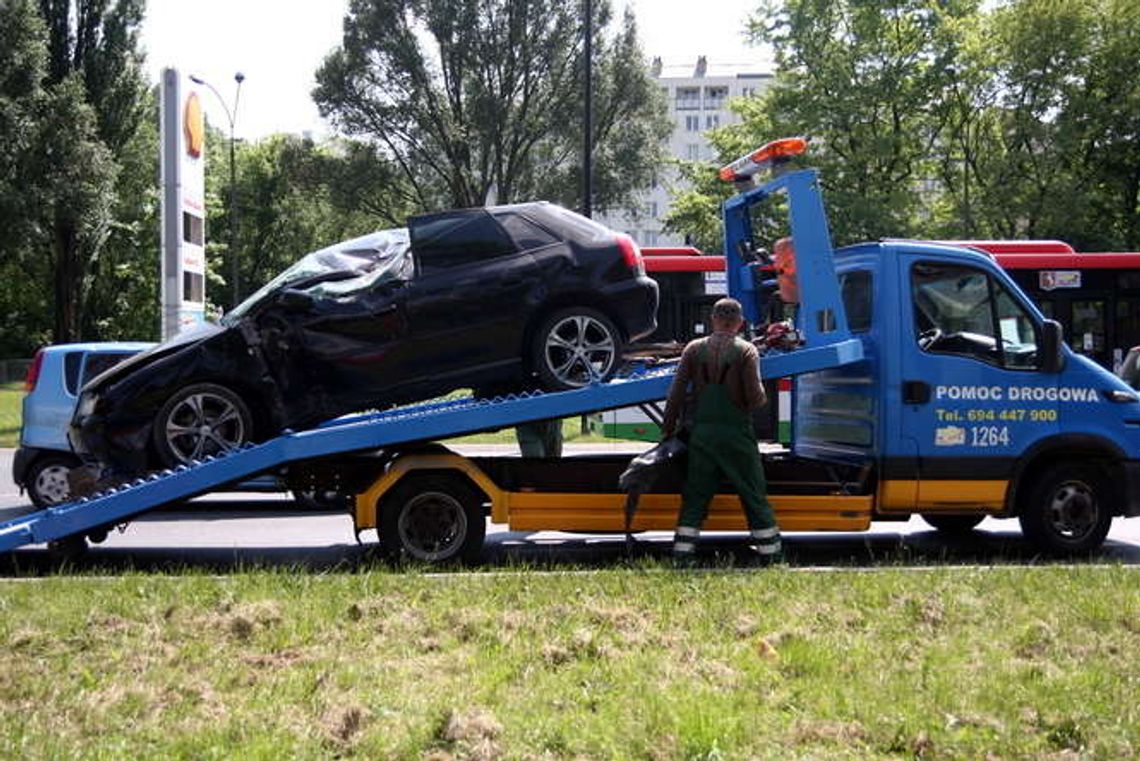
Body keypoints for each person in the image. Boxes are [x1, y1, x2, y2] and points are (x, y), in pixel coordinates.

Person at [661, 297, 782, 566]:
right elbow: (755, 397)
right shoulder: (747, 351)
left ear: (713, 320)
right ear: (740, 323)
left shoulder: (693, 349)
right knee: (752, 493)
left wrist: (667, 430)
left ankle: (682, 555)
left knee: (695, 495)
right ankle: (771, 555)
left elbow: (677, 394)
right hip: (737, 435)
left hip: (703, 437)